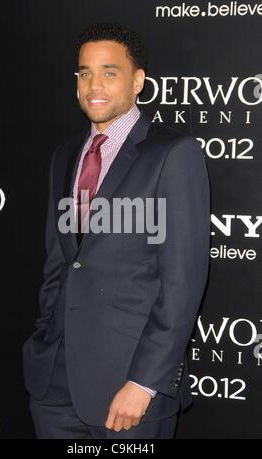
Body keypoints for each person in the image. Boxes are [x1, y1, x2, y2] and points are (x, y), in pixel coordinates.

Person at [22, 22, 210, 439]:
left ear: (138, 81)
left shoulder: (173, 155)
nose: (93, 84)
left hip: (128, 394)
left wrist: (144, 384)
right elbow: (61, 263)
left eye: (110, 71)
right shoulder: (65, 156)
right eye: (84, 72)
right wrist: (44, 338)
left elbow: (182, 283)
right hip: (53, 388)